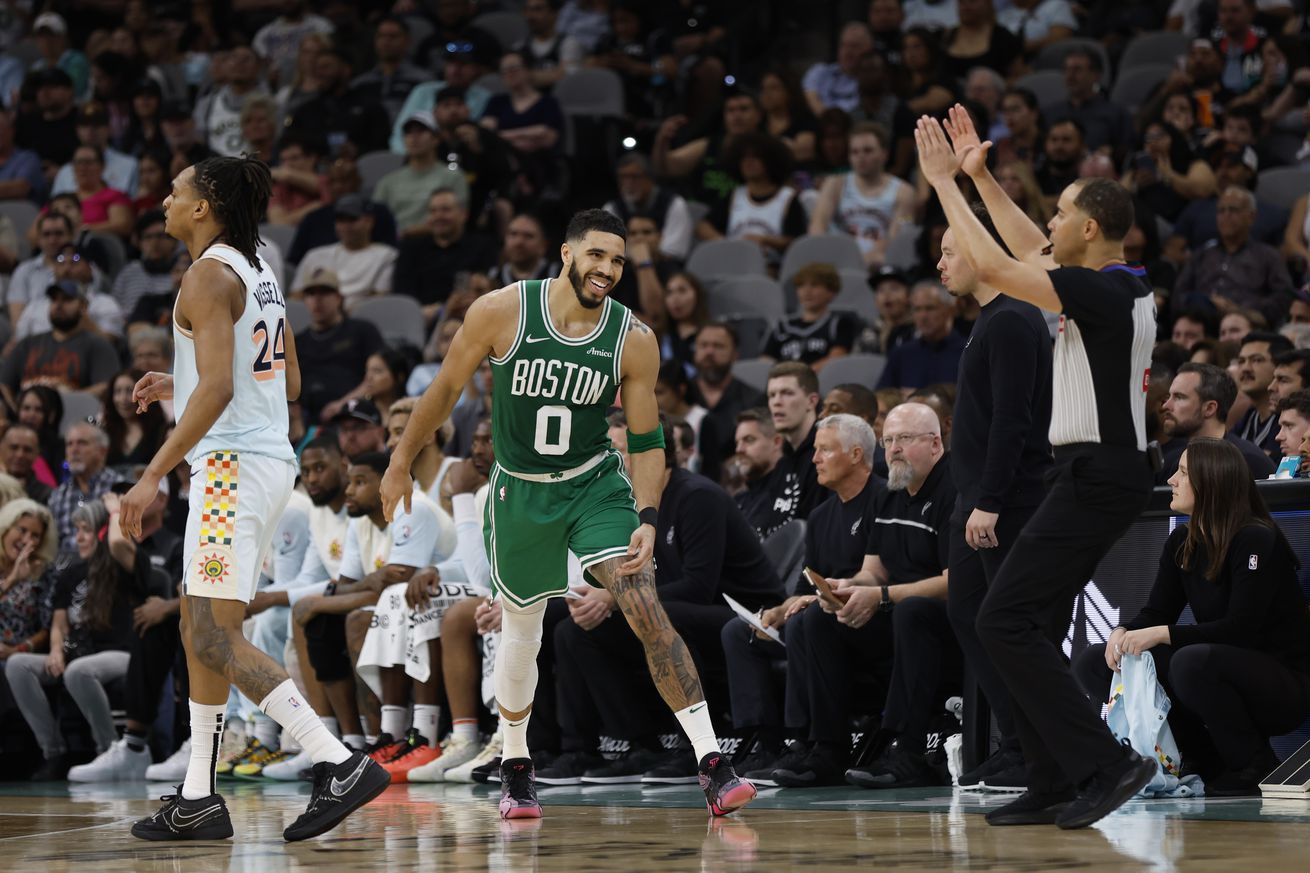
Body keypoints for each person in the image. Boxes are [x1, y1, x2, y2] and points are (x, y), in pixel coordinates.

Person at [381, 209, 757, 819]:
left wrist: (648, 516)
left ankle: (712, 763)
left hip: (593, 484)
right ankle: (516, 763)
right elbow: (444, 389)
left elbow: (647, 440)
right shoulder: (502, 310)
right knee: (522, 631)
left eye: (618, 261)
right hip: (521, 491)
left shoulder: (633, 338)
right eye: (596, 255)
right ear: (566, 254)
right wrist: (400, 461)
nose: (607, 269)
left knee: (642, 603)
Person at [116, 155, 389, 842]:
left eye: (175, 192)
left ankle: (337, 761)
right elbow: (286, 380)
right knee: (197, 627)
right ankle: (199, 795)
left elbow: (220, 388)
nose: (165, 202)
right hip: (262, 462)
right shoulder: (257, 268)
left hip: (230, 470)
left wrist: (151, 475)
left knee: (213, 633)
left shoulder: (207, 275)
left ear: (203, 206)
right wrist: (180, 377)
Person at [917, 107, 1159, 829]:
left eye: (1059, 213)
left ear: (1090, 227)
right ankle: (1053, 778)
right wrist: (981, 177)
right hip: (1091, 474)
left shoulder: (1105, 293)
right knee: (1026, 624)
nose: (1047, 223)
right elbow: (1028, 247)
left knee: (1003, 618)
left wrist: (944, 184)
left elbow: (1000, 266)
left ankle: (1108, 764)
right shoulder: (1117, 285)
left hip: (1098, 475)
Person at [1074, 439, 1310, 795]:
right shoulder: (1182, 541)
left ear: (1210, 482)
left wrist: (1161, 634)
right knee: (1097, 662)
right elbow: (1156, 612)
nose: (1171, 480)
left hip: (1283, 684)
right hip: (1220, 666)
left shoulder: (1256, 538)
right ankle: (1202, 759)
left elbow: (1241, 630)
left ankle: (1253, 764)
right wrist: (1122, 632)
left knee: (1190, 662)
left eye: (1182, 473)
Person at [934, 207, 1053, 790]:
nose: (940, 264)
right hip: (975, 498)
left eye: (949, 251)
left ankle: (1038, 750)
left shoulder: (1012, 319)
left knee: (1010, 626)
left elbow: (1012, 418)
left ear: (983, 252)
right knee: (969, 615)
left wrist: (991, 500)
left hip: (1004, 501)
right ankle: (1017, 744)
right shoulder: (990, 318)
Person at [6, 498, 145, 780]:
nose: (78, 537)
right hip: (78, 653)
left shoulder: (120, 566)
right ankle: (53, 752)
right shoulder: (71, 572)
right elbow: (59, 623)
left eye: (86, 530)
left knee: (78, 671)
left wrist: (114, 512)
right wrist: (56, 651)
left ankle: (110, 751)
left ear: (102, 532)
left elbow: (119, 543)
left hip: (120, 653)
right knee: (18, 665)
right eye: (77, 529)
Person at [808, 122, 914, 268]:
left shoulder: (904, 192)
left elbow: (896, 237)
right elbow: (817, 228)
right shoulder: (834, 184)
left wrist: (861, 261)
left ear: (884, 154)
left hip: (880, 262)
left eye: (868, 151)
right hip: (837, 260)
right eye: (854, 152)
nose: (861, 157)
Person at [0, 281, 123, 406]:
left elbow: (106, 386)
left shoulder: (98, 345)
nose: (58, 305)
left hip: (76, 414)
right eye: (54, 299)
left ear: (83, 306)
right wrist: (16, 410)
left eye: (67, 299)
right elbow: (4, 384)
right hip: (27, 415)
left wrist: (64, 401)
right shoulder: (27, 343)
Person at [293, 267, 385, 425]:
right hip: (308, 422)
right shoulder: (297, 342)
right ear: (304, 300)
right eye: (311, 294)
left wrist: (343, 404)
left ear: (339, 298)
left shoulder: (361, 331)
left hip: (355, 415)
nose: (317, 300)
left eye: (325, 292)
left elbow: (379, 375)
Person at [1159, 362, 1276, 481]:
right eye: (1169, 397)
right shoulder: (1174, 462)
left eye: (1179, 397)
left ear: (1209, 408)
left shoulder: (1247, 461)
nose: (1165, 406)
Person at [291, 195, 397, 308]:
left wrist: (340, 315)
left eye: (352, 219)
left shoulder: (387, 256)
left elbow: (379, 298)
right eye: (340, 220)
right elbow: (296, 296)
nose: (345, 226)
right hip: (314, 315)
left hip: (358, 317)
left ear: (369, 221)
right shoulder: (315, 255)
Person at [761, 263, 860, 371]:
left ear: (831, 292)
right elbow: (765, 361)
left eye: (815, 285)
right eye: (801, 286)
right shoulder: (782, 325)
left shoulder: (839, 324)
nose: (807, 292)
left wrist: (803, 375)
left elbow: (836, 359)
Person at [0, 499, 57, 673]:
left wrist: (16, 651)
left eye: (35, 536)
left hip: (18, 659)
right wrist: (12, 580)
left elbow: (47, 629)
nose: (26, 540)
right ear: (5, 528)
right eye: (22, 530)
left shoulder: (43, 572)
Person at [876, 282, 967, 390]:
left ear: (949, 310)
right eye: (917, 309)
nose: (923, 316)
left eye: (930, 308)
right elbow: (882, 395)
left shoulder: (967, 352)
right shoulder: (902, 354)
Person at [1231, 331, 1293, 459]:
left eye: (1257, 360)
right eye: (1241, 361)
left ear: (1280, 366)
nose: (1246, 368)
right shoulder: (1248, 416)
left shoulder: (1289, 421)